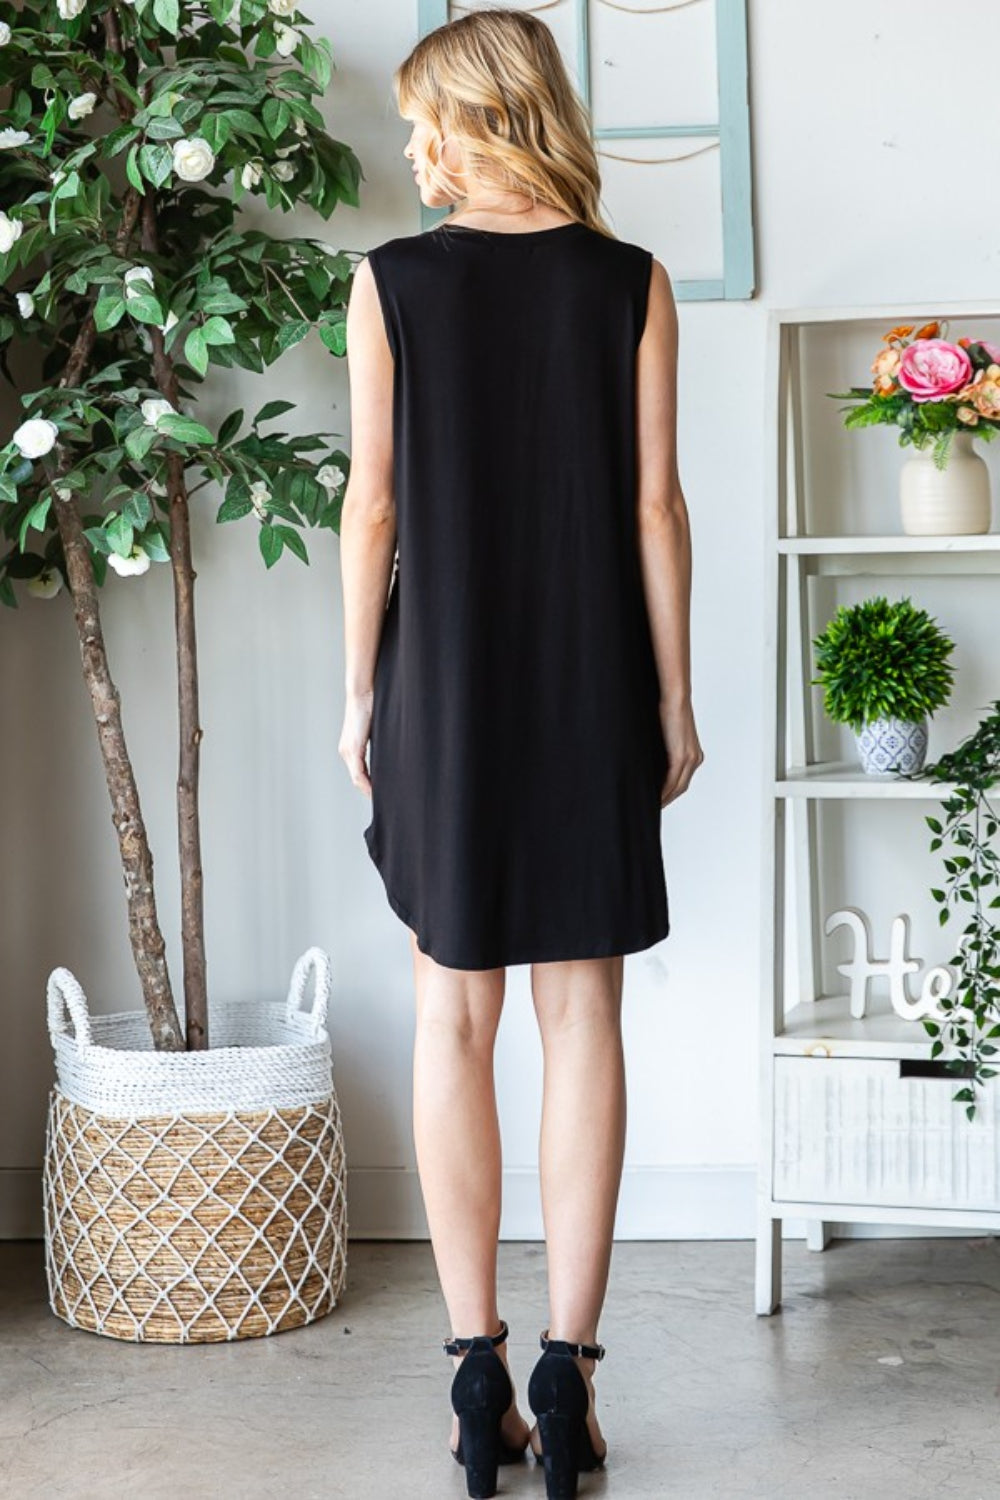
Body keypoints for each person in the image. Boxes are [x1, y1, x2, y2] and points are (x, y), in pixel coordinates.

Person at [338, 8, 703, 1498]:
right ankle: (569, 1372)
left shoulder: (392, 285)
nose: (417, 151)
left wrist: (361, 694)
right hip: (588, 683)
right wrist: (673, 704)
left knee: (453, 1027)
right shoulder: (630, 284)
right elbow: (654, 512)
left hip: (451, 686)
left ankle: (473, 1375)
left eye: (432, 121)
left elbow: (375, 511)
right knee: (585, 1026)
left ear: (490, 117)